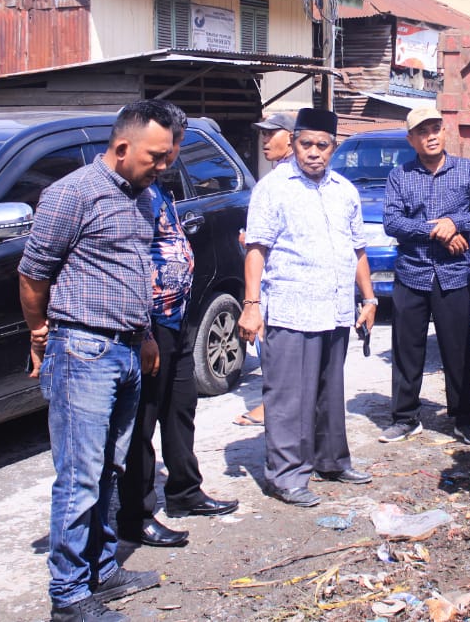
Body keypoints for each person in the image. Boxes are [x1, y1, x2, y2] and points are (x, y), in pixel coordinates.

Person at [19, 100, 179, 622]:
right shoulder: (71, 193)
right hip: (83, 350)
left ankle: (103, 570)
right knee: (80, 475)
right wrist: (41, 335)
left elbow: (137, 272)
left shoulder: (144, 197)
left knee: (112, 467)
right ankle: (67, 596)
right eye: (155, 157)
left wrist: (148, 336)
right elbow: (32, 274)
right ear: (122, 146)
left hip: (129, 348)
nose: (161, 167)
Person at [237, 108, 377, 507]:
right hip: (291, 307)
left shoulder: (344, 191)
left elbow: (358, 250)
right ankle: (285, 475)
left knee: (329, 391)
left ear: (334, 147)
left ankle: (331, 460)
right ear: (293, 143)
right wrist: (252, 305)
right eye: (306, 144)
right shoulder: (273, 188)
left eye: (322, 145)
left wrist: (368, 298)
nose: (314, 152)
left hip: (334, 307)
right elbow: (256, 249)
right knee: (287, 396)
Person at [116, 101, 238, 550]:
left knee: (180, 408)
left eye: (175, 149)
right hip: (146, 326)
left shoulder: (159, 187)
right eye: (162, 152)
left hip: (177, 316)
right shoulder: (126, 190)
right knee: (142, 422)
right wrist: (144, 331)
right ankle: (136, 514)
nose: (168, 160)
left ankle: (185, 491)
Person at [380, 107, 470, 445]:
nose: (431, 135)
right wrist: (436, 231)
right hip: (411, 274)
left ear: (445, 132)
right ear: (411, 139)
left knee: (457, 350)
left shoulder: (468, 171)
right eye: (423, 131)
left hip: (453, 276)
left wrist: (455, 223)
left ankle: (464, 418)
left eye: (436, 128)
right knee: (406, 350)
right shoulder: (400, 175)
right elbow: (392, 222)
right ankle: (404, 417)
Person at [235, 110, 298, 427]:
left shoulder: (284, 180)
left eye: (270, 133)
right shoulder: (276, 175)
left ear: (290, 137)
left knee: (273, 345)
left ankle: (273, 406)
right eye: (262, 134)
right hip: (276, 275)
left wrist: (256, 242)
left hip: (281, 278)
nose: (264, 140)